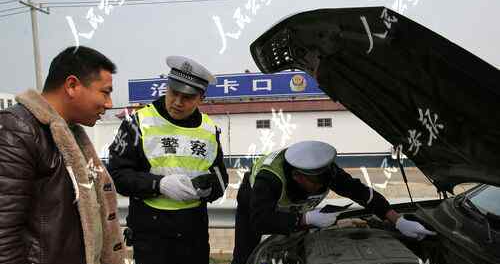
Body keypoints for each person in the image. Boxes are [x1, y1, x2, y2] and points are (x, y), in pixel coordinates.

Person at [0, 46, 125, 264]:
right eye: (105, 92)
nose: (109, 104)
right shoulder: (18, 130)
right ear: (72, 85)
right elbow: (4, 233)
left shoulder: (71, 134)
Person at [231, 140, 436, 264]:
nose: (322, 185)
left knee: (299, 249)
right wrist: (305, 219)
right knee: (244, 255)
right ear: (297, 176)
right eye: (315, 182)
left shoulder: (325, 172)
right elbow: (261, 221)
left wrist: (397, 220)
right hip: (254, 203)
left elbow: (363, 194)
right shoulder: (269, 180)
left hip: (297, 206)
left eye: (325, 179)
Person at [108, 56, 228, 264]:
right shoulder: (137, 123)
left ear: (201, 98)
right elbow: (117, 175)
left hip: (193, 235)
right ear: (166, 87)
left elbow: (221, 178)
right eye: (173, 92)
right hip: (152, 236)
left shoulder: (209, 130)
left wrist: (208, 188)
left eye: (188, 97)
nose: (177, 102)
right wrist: (158, 184)